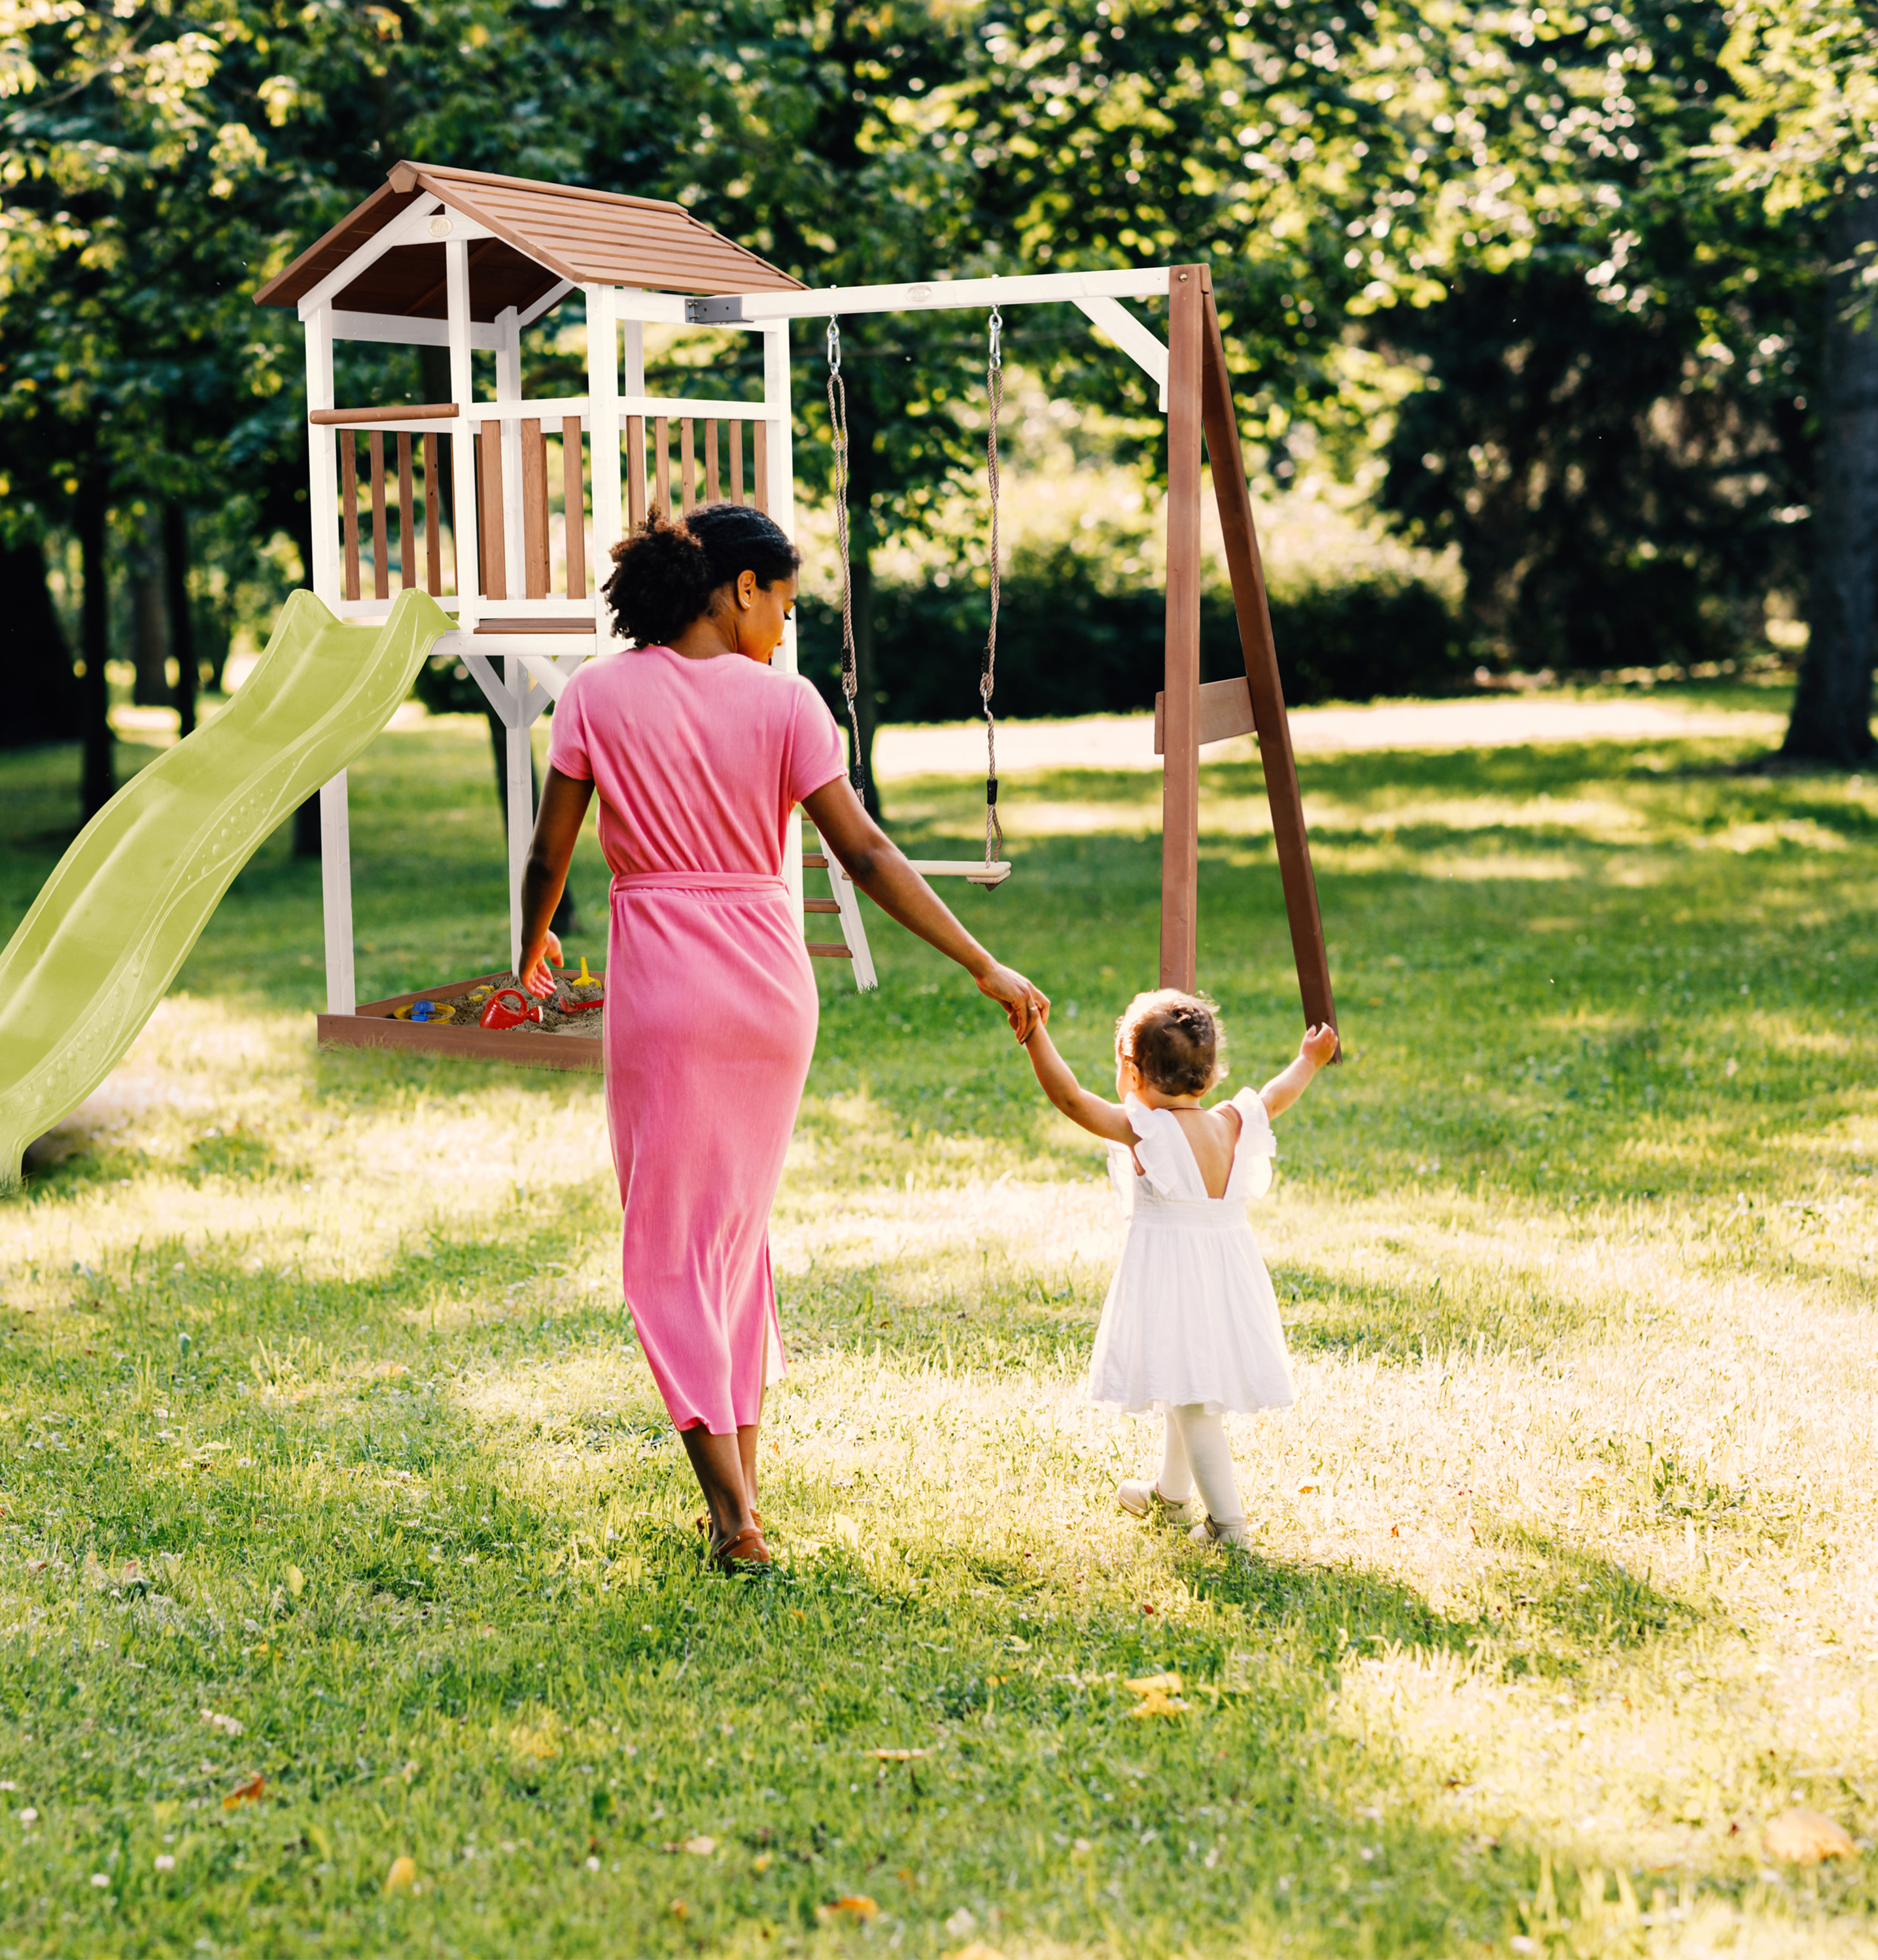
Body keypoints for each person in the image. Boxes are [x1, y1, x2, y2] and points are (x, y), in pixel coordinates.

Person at [516, 504, 1049, 1572]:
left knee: (669, 1252)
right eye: (785, 606)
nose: (784, 627)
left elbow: (548, 855)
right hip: (770, 993)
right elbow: (869, 855)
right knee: (731, 1240)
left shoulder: (595, 695)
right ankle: (743, 1499)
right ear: (740, 588)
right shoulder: (789, 704)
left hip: (666, 993)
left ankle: (733, 1520)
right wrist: (980, 961)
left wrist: (528, 952)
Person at [1018, 989, 1339, 1549]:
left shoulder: (1146, 1130)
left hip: (1175, 1282)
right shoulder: (1231, 1122)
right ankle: (1170, 1496)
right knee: (1181, 1381)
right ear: (1209, 1076)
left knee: (1193, 1404)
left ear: (1133, 1072)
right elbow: (1275, 1095)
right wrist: (1307, 1061)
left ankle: (1228, 1526)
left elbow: (1070, 1098)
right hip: (1227, 1279)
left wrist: (1033, 1033)